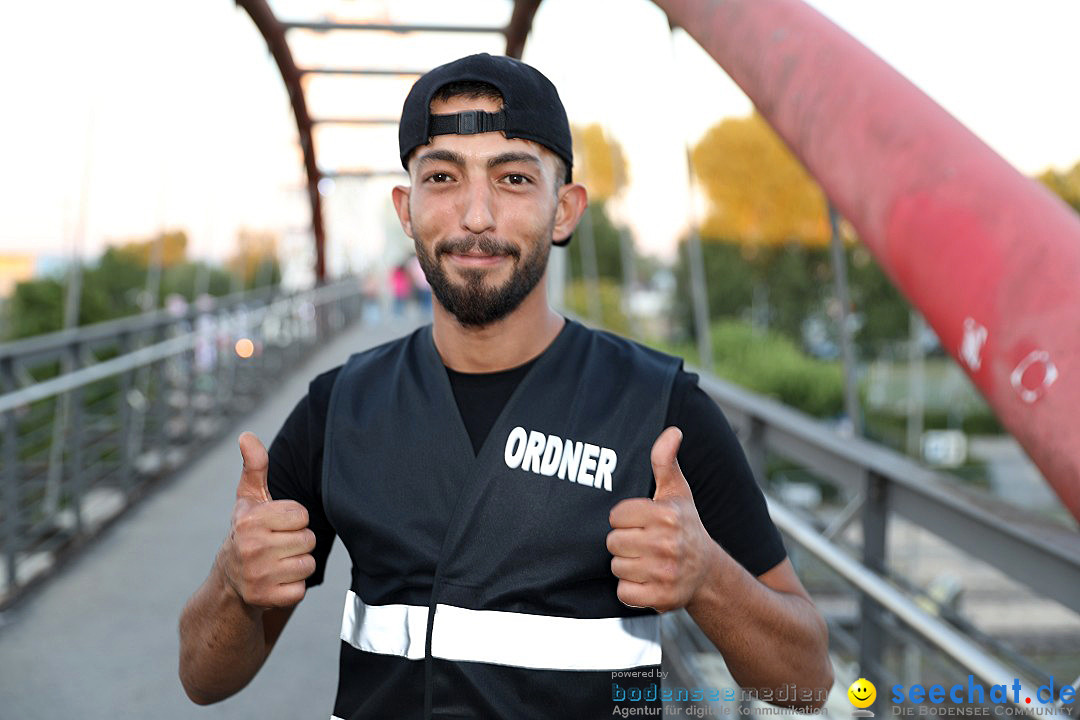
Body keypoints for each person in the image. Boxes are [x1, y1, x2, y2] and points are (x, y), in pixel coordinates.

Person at [178, 53, 833, 719]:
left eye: (514, 177)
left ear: (565, 209)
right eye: (442, 177)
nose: (476, 216)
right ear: (406, 210)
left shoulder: (659, 409)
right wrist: (235, 582)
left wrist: (707, 577)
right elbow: (204, 679)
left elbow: (808, 682)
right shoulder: (339, 409)